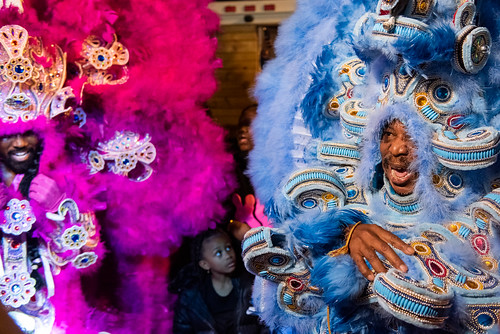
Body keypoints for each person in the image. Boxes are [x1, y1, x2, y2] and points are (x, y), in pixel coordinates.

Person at [172, 228, 269, 334]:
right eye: (218, 253)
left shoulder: (250, 285)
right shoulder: (190, 297)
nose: (228, 255)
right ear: (205, 264)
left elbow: (266, 324)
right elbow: (182, 330)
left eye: (228, 248)